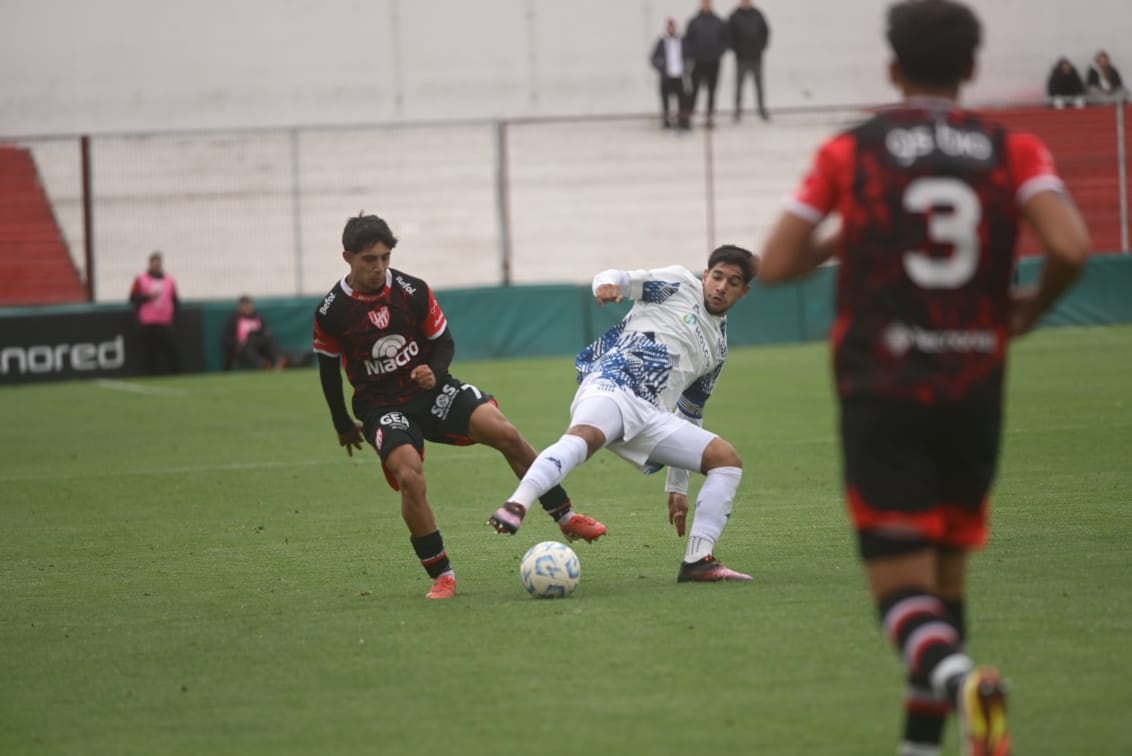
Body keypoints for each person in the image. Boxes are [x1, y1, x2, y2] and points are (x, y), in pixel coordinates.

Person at [756, 2, 1090, 754]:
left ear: (892, 67)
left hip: (885, 390)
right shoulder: (1014, 150)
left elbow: (774, 264)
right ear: (971, 68)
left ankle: (963, 680)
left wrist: (854, 231)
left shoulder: (856, 150)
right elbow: (1070, 246)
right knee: (946, 584)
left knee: (903, 593)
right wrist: (1032, 307)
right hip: (974, 389)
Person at [313, 213, 607, 600]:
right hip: (382, 406)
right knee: (410, 478)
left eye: (385, 257)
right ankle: (443, 575)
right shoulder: (331, 311)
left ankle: (567, 518)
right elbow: (328, 372)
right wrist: (341, 423)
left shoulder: (412, 290)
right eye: (370, 259)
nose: (380, 267)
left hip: (433, 392)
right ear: (347, 257)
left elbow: (444, 343)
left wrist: (433, 372)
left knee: (505, 432)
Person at [487, 246, 756, 583]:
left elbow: (690, 412)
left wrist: (678, 488)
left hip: (652, 417)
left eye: (732, 282)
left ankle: (698, 561)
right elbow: (619, 278)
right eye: (717, 277)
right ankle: (516, 505)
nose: (721, 287)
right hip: (614, 383)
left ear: (743, 292)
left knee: (726, 461)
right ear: (705, 275)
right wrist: (606, 285)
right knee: (585, 438)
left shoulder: (718, 347)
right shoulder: (676, 283)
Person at [128, 250, 180, 376]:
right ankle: (153, 375)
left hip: (165, 321)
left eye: (158, 263)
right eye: (154, 263)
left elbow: (175, 299)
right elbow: (132, 298)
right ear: (149, 264)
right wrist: (147, 297)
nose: (157, 265)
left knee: (171, 350)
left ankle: (176, 374)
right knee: (151, 352)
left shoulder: (169, 280)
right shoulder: (141, 279)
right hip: (148, 322)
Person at [684, 0, 730, 128]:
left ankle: (709, 118)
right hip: (698, 63)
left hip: (713, 63)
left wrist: (718, 52)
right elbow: (687, 40)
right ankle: (688, 117)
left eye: (708, 2)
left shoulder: (718, 21)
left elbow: (726, 40)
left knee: (712, 91)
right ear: (700, 4)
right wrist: (694, 54)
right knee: (694, 91)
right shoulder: (693, 22)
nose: (706, 4)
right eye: (704, 2)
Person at [728, 0, 771, 121]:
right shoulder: (734, 15)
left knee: (759, 86)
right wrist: (736, 50)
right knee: (739, 86)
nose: (745, 2)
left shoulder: (758, 14)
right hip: (741, 58)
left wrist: (760, 48)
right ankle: (737, 111)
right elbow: (729, 34)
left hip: (756, 58)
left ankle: (761, 109)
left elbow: (766, 31)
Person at [223, 295, 285, 371]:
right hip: (243, 346)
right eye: (244, 306)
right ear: (239, 307)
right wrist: (236, 345)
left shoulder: (258, 318)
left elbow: (266, 332)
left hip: (259, 344)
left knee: (269, 341)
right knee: (249, 346)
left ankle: (278, 362)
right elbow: (226, 338)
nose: (247, 308)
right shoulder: (233, 320)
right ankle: (263, 365)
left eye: (249, 305)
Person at [650, 18, 692, 130]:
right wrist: (661, 68)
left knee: (682, 100)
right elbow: (653, 58)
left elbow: (689, 55)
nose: (671, 28)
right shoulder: (661, 41)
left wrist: (686, 68)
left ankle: (682, 121)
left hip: (679, 76)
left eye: (673, 26)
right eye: (669, 26)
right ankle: (666, 121)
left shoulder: (682, 40)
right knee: (665, 100)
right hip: (666, 76)